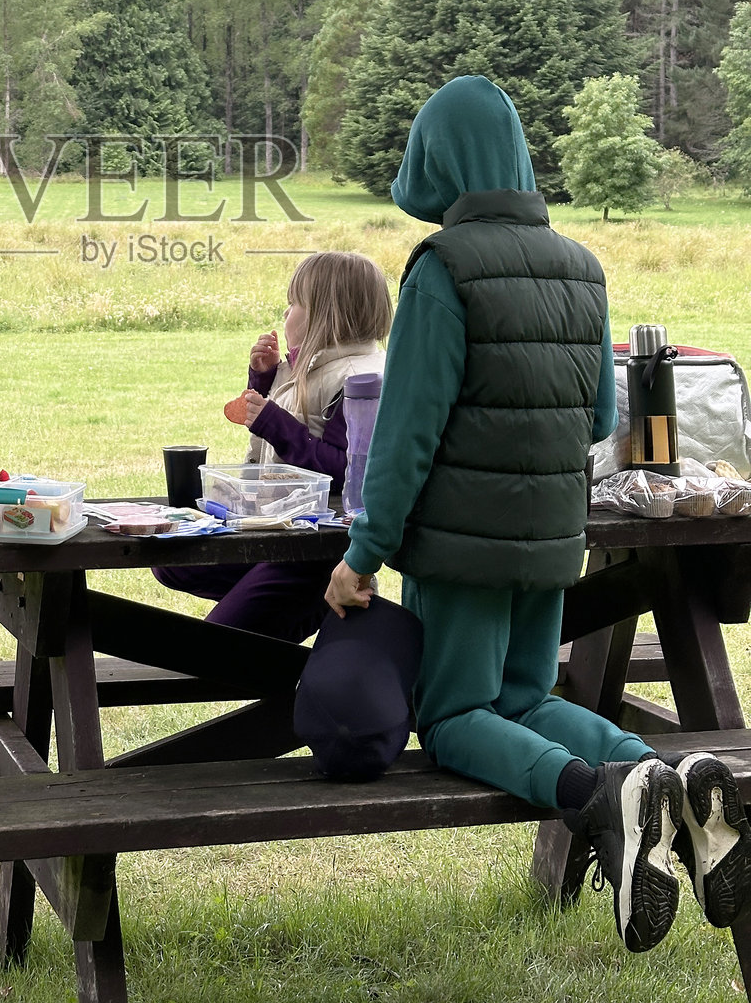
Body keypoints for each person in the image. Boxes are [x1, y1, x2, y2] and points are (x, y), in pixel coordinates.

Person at [325, 75, 751, 952]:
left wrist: (365, 553)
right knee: (523, 698)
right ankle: (664, 775)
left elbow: (406, 434)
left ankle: (590, 800)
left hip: (459, 552)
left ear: (440, 161)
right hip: (555, 540)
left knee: (451, 720)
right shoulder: (581, 266)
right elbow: (599, 417)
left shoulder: (442, 269)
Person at [156, 249, 391, 643]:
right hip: (282, 527)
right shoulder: (314, 365)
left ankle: (313, 603)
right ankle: (285, 608)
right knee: (173, 561)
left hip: (315, 550)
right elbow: (298, 417)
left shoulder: (359, 381)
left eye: (294, 304)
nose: (286, 314)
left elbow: (343, 472)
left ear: (324, 314)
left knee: (215, 645)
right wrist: (263, 380)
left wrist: (273, 422)